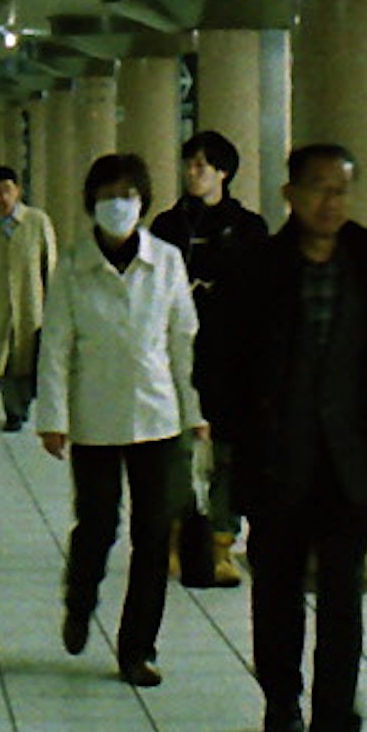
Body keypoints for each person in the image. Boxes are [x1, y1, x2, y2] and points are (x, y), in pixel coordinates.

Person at [199, 142, 367, 732]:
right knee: (276, 586)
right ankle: (280, 696)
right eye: (320, 188)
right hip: (278, 458)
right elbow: (220, 354)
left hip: (350, 461)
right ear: (290, 193)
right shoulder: (258, 266)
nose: (332, 201)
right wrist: (234, 430)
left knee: (343, 601)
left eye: (343, 189)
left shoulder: (366, 258)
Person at [32, 151, 201, 688]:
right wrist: (52, 418)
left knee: (153, 535)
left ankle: (137, 649)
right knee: (97, 525)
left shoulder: (168, 262)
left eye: (127, 196)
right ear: (91, 204)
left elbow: (184, 343)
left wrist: (198, 412)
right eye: (107, 197)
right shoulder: (73, 267)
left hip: (158, 416)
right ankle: (80, 600)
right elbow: (56, 346)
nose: (118, 206)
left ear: (144, 202)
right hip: (94, 417)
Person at [152, 133, 269, 592]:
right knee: (176, 452)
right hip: (173, 359)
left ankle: (221, 543)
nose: (194, 172)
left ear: (224, 172)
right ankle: (180, 539)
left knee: (228, 456)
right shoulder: (165, 228)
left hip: (232, 362)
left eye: (203, 165)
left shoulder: (248, 229)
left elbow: (263, 298)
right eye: (189, 164)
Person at [0, 164, 56, 429]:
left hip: (32, 303)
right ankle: (13, 411)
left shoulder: (37, 222)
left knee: (27, 359)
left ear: (18, 191)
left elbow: (48, 267)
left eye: (7, 190)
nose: (2, 197)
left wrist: (54, 306)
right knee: (3, 360)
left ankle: (23, 404)